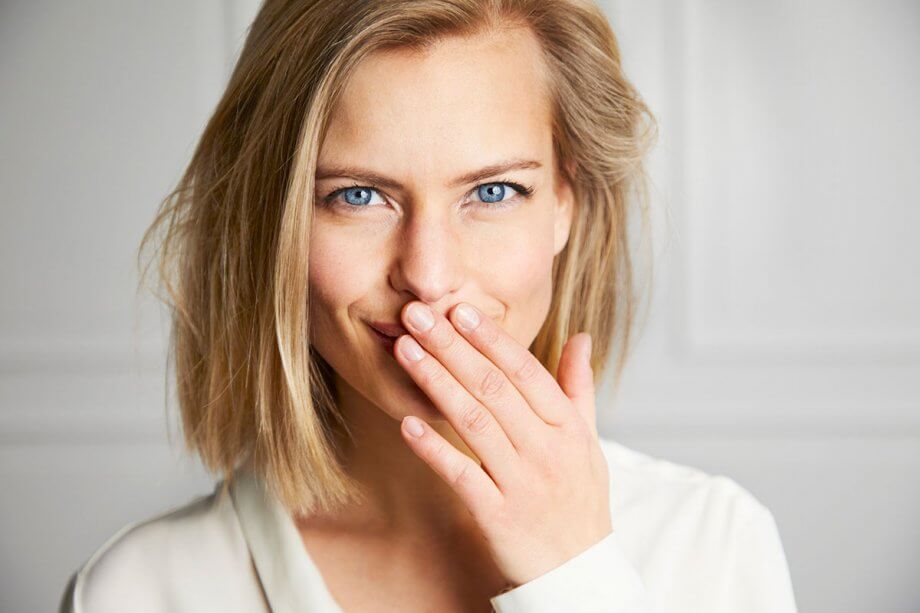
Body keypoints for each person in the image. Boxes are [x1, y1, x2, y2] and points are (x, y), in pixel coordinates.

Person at [59, 0, 799, 611]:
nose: (429, 274)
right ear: (276, 220)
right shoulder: (133, 590)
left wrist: (577, 579)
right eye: (358, 195)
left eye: (493, 192)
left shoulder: (712, 544)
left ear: (565, 204)